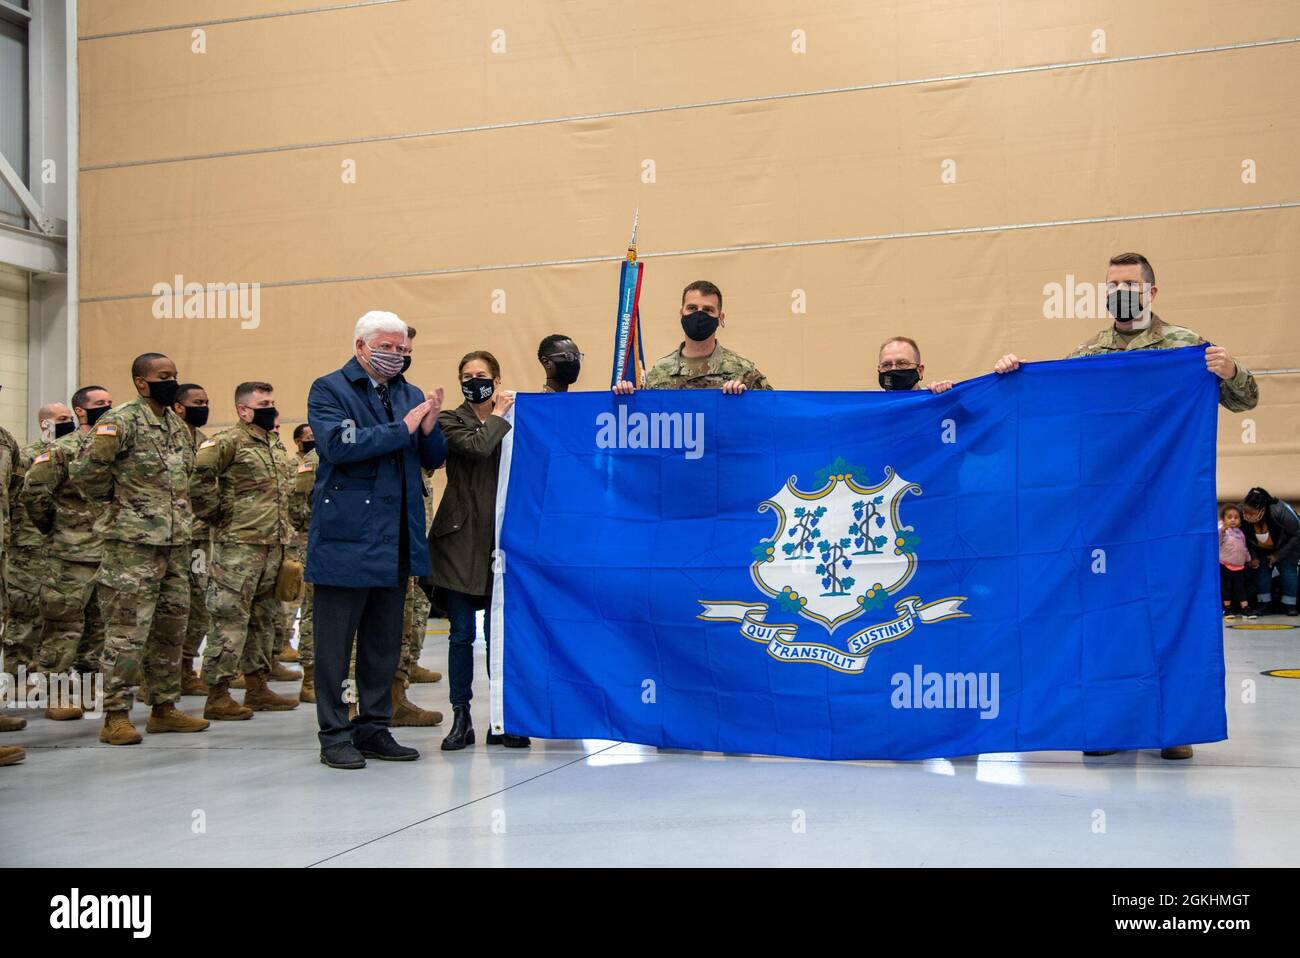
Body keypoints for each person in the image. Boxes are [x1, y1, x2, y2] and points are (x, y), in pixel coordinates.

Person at [994, 251, 1259, 761]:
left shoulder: (1187, 346)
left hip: (1168, 508)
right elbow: (1048, 401)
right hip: (1104, 510)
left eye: (1130, 284)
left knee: (1171, 604)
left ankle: (1173, 725)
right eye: (1112, 284)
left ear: (1151, 292)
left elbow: (1246, 400)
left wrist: (1231, 370)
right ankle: (1109, 723)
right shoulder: (1089, 354)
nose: (1121, 291)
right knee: (1103, 614)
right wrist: (1016, 373)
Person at [306, 311, 448, 770]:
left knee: (383, 642)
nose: (397, 356)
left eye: (403, 349)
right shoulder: (329, 389)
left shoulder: (408, 393)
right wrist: (403, 428)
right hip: (346, 538)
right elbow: (339, 446)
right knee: (334, 645)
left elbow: (432, 458)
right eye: (388, 347)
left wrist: (429, 430)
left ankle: (374, 727)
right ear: (361, 346)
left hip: (395, 539)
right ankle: (334, 734)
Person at [69, 352, 210, 744]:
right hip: (132, 548)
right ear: (141, 383)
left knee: (171, 629)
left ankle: (163, 708)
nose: (172, 381)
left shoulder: (177, 427)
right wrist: (123, 509)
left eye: (175, 375)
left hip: (176, 545)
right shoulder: (120, 421)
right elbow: (86, 474)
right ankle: (115, 714)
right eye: (163, 376)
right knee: (126, 633)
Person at [429, 350, 521, 750]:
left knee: (498, 634)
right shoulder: (450, 421)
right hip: (459, 540)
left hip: (502, 540)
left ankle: (502, 718)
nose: (473, 381)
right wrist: (500, 413)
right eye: (466, 375)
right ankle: (461, 716)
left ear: (496, 379)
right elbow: (479, 448)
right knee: (461, 634)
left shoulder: (518, 417)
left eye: (481, 375)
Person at [191, 382, 300, 719]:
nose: (271, 407)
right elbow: (199, 481)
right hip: (237, 549)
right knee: (229, 621)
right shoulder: (226, 442)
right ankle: (218, 694)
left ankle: (257, 687)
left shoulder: (274, 445)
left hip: (272, 547)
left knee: (263, 621)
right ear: (243, 410)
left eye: (272, 400)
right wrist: (216, 515)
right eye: (263, 402)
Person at [24, 385, 115, 720]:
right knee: (64, 627)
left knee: (99, 628)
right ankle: (55, 694)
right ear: (81, 411)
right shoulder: (63, 450)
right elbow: (34, 493)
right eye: (99, 404)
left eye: (109, 402)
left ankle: (91, 690)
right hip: (70, 555)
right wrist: (56, 527)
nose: (107, 408)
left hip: (110, 553)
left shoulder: (117, 450)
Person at [1, 403, 70, 679]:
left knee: (50, 613)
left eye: (70, 418)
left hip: (53, 545)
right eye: (61, 419)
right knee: (24, 612)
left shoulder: (70, 452)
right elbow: (20, 496)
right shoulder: (28, 454)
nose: (68, 423)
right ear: (45, 424)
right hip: (25, 545)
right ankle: (16, 676)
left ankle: (38, 672)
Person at [613, 280, 772, 394]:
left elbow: (772, 416)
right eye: (692, 308)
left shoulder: (743, 371)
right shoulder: (659, 372)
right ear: (681, 313)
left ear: (720, 318)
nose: (699, 315)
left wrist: (747, 400)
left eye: (708, 310)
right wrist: (627, 399)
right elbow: (647, 423)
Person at [172, 383, 212, 697]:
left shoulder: (205, 443)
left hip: (198, 537)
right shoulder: (162, 438)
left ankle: (186, 669)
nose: (204, 406)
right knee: (165, 607)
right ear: (179, 407)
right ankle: (154, 676)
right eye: (197, 402)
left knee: (198, 605)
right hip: (166, 538)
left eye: (207, 401)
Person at [1241, 487, 1300, 617]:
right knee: (1261, 570)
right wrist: (1253, 557)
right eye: (1245, 511)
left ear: (1262, 509)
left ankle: (1290, 605)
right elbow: (1243, 537)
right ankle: (1264, 604)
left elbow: (1297, 534)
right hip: (1260, 548)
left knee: (1288, 570)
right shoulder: (1241, 512)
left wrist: (1278, 556)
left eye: (1251, 513)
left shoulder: (1280, 510)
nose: (1247, 516)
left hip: (1287, 546)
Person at [876, 337, 954, 393]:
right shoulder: (872, 407)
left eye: (902, 363)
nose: (893, 369)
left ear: (920, 371)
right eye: (886, 365)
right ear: (879, 371)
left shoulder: (935, 401)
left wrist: (950, 397)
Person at [1218, 504, 1252, 618]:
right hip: (1224, 564)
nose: (1233, 519)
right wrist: (1222, 529)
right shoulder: (1222, 531)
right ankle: (1227, 609)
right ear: (1223, 519)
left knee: (1240, 587)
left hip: (1239, 566)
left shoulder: (1240, 533)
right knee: (1226, 587)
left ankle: (1245, 608)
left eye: (1236, 517)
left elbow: (1244, 547)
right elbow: (1217, 539)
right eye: (1229, 517)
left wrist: (1248, 559)